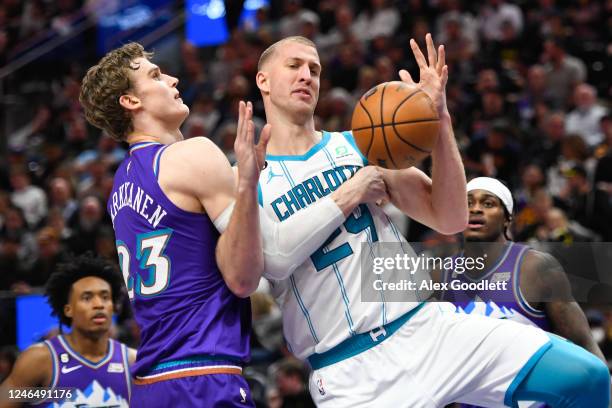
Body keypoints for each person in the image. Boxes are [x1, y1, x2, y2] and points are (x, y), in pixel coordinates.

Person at [254, 35, 610, 407]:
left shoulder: (360, 145)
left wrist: (439, 121)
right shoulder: (249, 179)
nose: (307, 76)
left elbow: (450, 216)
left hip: (427, 328)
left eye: (315, 69)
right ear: (263, 79)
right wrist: (351, 192)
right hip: (349, 372)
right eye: (294, 66)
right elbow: (273, 260)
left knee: (586, 377)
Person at [78, 42, 386, 407]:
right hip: (203, 376)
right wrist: (246, 188)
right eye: (156, 75)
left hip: (150, 383)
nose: (173, 79)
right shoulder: (194, 153)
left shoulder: (120, 186)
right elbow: (246, 277)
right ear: (131, 101)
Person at [440, 176, 607, 407]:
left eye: (488, 204)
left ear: (507, 218)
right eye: (467, 203)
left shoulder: (536, 267)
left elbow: (584, 345)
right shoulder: (440, 275)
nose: (475, 209)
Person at [0, 253, 135, 408]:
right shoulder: (40, 360)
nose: (99, 304)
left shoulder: (132, 361)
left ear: (114, 306)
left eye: (105, 297)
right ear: (68, 309)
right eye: (87, 297)